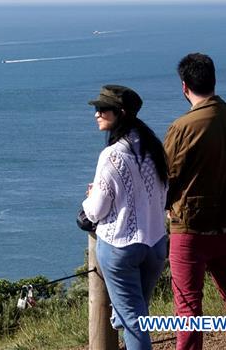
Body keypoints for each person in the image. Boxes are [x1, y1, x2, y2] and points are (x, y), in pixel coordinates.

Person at [164, 53, 226, 350]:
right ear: (213, 80)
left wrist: (166, 207)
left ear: (184, 86)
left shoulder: (182, 127)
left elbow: (165, 177)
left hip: (189, 230)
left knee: (188, 310)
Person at [82, 85, 168, 350]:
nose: (96, 114)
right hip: (155, 245)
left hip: (120, 248)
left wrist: (90, 196)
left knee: (133, 322)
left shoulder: (111, 155)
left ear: (119, 113)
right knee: (136, 315)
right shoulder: (154, 149)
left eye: (102, 109)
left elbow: (95, 211)